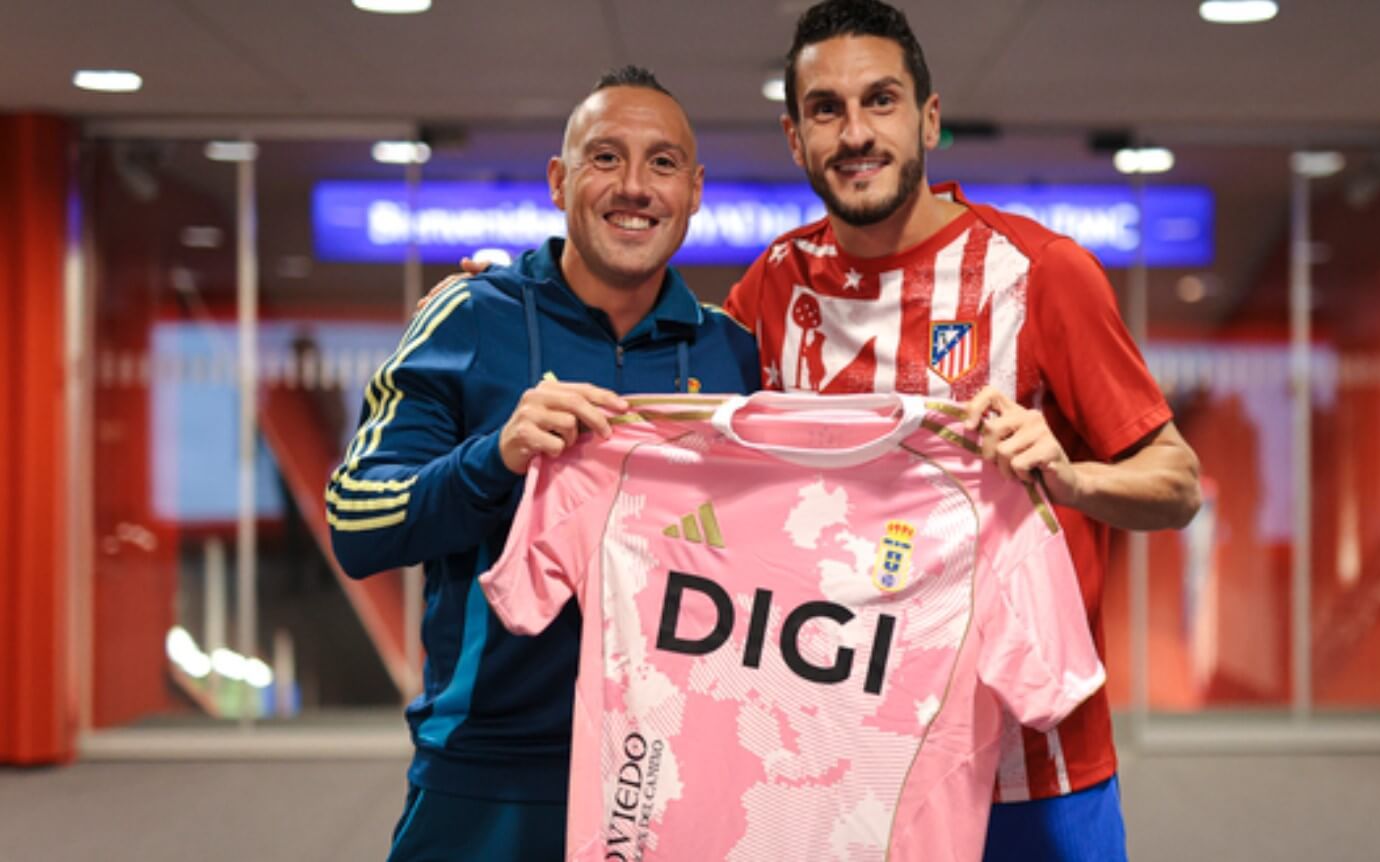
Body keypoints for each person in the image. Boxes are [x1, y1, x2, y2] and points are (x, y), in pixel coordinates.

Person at [720, 2, 1202, 859]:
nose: (855, 132)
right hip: (840, 764)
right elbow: (691, 453)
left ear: (928, 119)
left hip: (1030, 765)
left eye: (881, 101)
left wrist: (1071, 478)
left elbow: (1176, 485)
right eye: (826, 110)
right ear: (794, 139)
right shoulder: (770, 288)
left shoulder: (1041, 273)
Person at [326, 66, 758, 862]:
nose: (634, 186)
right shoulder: (468, 317)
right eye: (604, 158)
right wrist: (495, 458)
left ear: (695, 191)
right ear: (559, 181)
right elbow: (356, 521)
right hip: (490, 773)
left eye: (662, 163)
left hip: (677, 776)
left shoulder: (732, 354)